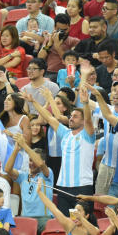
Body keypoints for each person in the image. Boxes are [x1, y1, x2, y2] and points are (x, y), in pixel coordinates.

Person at [27, 79, 95, 215]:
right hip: (63, 186)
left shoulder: (88, 135)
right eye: (71, 116)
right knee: (65, 224)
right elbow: (49, 117)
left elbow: (88, 119)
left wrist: (86, 103)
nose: (71, 118)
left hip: (82, 187)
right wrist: (34, 102)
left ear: (82, 121)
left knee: (83, 223)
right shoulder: (65, 133)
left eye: (75, 117)